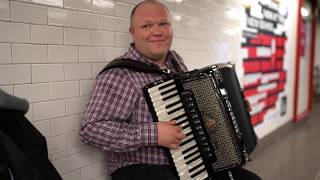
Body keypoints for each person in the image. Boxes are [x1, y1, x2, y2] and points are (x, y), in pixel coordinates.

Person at [79, 1, 261, 180]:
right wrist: (153, 134)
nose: (157, 31)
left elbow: (192, 111)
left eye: (163, 24)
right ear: (132, 32)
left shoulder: (176, 62)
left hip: (191, 162)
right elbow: (91, 129)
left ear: (171, 29)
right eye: (146, 25)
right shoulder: (120, 75)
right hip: (141, 167)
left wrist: (228, 110)